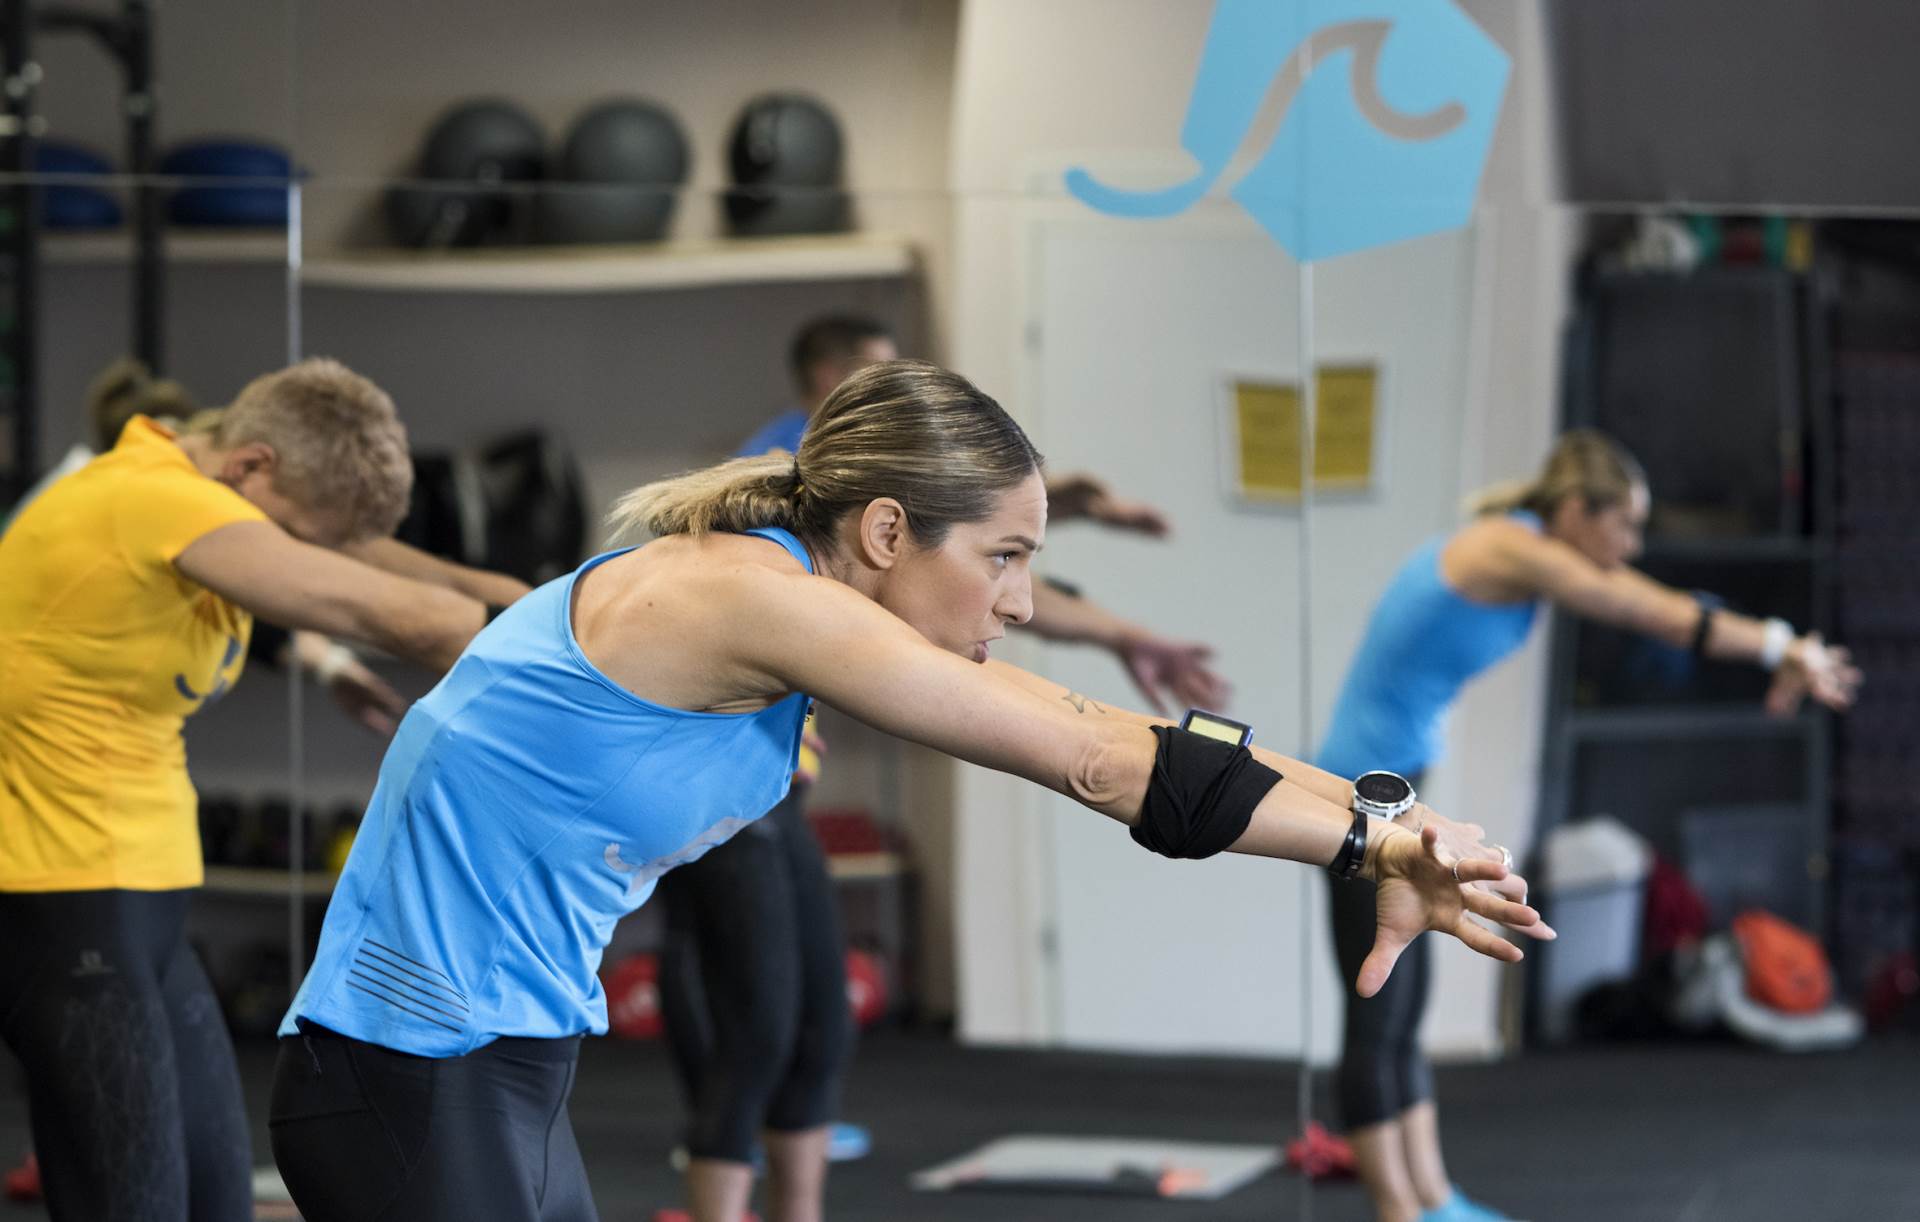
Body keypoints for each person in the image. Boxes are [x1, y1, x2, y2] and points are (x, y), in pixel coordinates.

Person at [268, 358, 1542, 1222]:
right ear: (887, 533)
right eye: (1003, 556)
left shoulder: (780, 591)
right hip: (407, 1064)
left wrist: (1398, 824)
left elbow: (1102, 723)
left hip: (496, 1062)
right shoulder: (751, 598)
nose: (1022, 599)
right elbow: (1102, 763)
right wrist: (1370, 845)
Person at [656, 318, 1227, 1222]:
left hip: (775, 798)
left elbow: (961, 541)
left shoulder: (868, 507)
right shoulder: (789, 483)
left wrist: (1094, 572)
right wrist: (1365, 835)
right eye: (887, 378)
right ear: (835, 382)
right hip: (721, 808)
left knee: (821, 1030)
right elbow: (953, 550)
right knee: (756, 1035)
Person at [0, 357, 530, 1222]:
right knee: (131, 1206)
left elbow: (403, 569)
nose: (292, 549)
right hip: (58, 888)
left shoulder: (207, 474)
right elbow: (390, 613)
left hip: (145, 884)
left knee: (214, 1201)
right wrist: (627, 661)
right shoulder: (155, 497)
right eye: (288, 529)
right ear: (251, 468)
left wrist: (561, 599)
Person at [1315, 429, 1861, 1222]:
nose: (1631, 545)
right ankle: (1398, 1211)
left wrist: (1759, 645)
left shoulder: (1534, 550)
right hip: (1356, 796)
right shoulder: (1512, 549)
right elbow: (1650, 612)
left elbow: (1666, 607)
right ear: (1576, 512)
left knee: (1406, 1010)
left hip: (1402, 790)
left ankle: (1435, 1199)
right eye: (1624, 526)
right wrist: (1785, 644)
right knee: (1378, 1014)